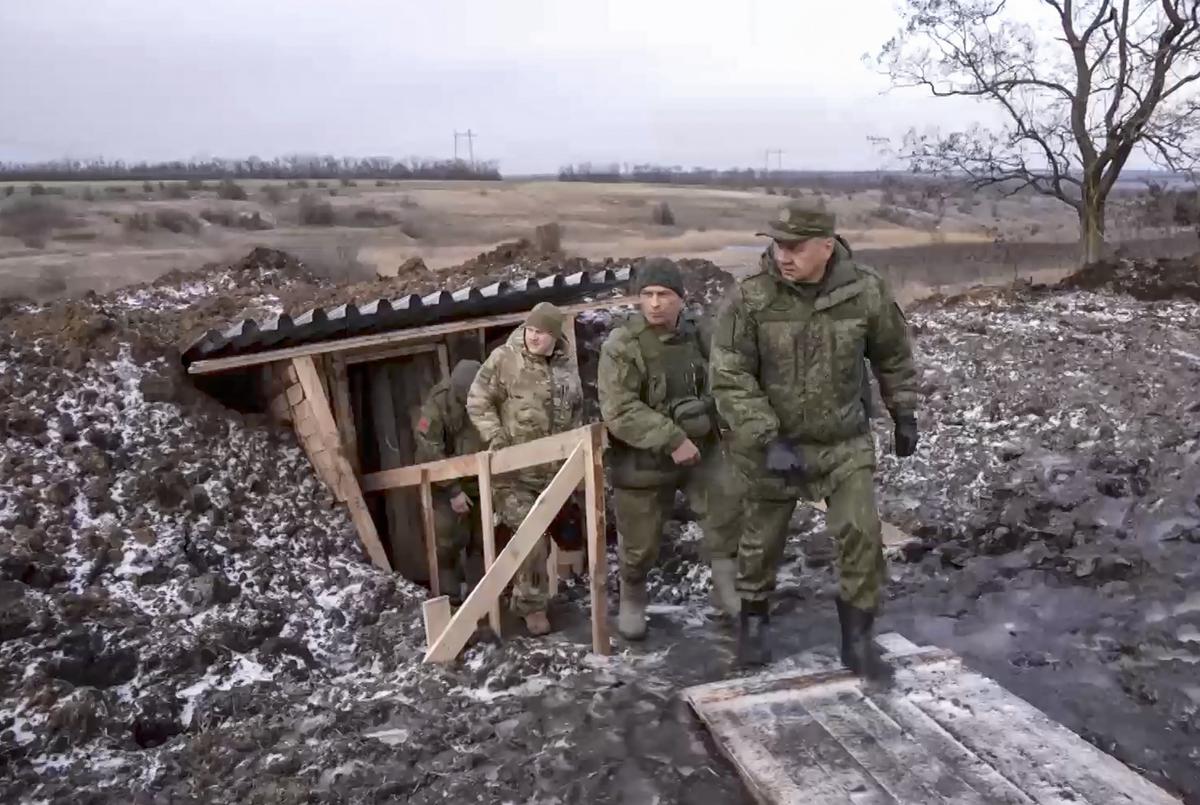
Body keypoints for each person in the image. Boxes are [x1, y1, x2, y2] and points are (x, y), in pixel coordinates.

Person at [709, 201, 920, 676]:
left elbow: (892, 354)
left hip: (842, 441)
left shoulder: (864, 291)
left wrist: (903, 410)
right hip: (772, 443)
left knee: (862, 532)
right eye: (778, 244)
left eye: (796, 246)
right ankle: (755, 624)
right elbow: (729, 374)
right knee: (761, 541)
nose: (784, 255)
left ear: (827, 245)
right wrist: (766, 438)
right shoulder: (750, 298)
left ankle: (858, 638)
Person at [597, 258, 742, 640]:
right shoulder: (622, 346)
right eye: (647, 295)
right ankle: (631, 599)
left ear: (681, 298)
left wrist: (705, 411)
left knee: (726, 511)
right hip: (642, 458)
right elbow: (618, 409)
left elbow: (729, 377)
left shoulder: (701, 334)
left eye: (664, 294)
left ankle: (728, 591)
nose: (655, 303)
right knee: (639, 542)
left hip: (702, 451)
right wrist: (672, 437)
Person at [466, 302, 583, 636]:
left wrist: (573, 459)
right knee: (532, 540)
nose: (534, 337)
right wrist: (495, 436)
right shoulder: (505, 359)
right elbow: (478, 399)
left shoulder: (566, 368)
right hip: (512, 476)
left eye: (543, 333)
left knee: (573, 528)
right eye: (531, 330)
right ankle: (531, 608)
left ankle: (555, 590)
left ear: (555, 336)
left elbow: (576, 414)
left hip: (553, 473)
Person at [413, 359, 484, 604]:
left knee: (482, 540)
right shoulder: (439, 402)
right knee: (446, 540)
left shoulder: (491, 394)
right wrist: (453, 490)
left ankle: (481, 598)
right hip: (445, 481)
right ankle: (450, 598)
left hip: (482, 478)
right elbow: (428, 446)